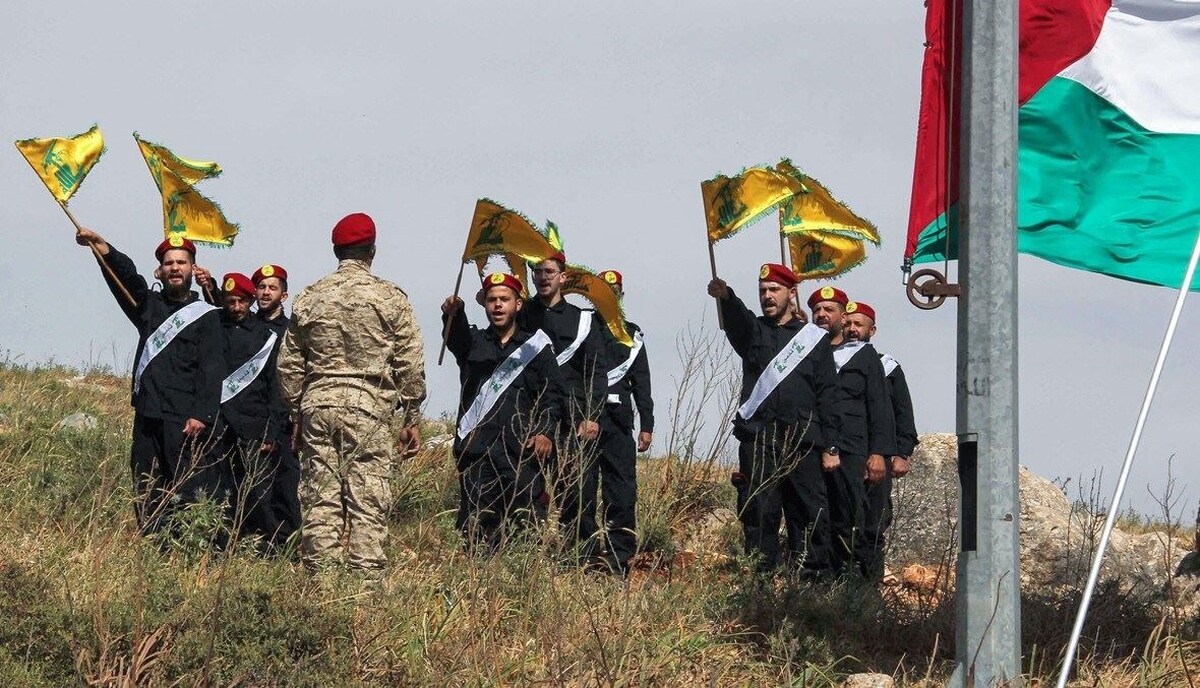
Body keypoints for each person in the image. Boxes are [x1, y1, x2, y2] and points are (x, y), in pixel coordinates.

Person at [277, 213, 426, 578]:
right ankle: (364, 592)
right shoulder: (390, 298)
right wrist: (411, 418)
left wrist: (296, 414)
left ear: (335, 250)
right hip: (368, 410)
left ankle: (321, 585)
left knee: (320, 500)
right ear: (372, 250)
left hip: (317, 407)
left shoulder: (310, 298)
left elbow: (289, 366)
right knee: (368, 501)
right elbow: (410, 362)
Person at [74, 229, 225, 534]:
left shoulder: (208, 316)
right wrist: (103, 248)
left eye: (182, 262)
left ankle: (187, 544)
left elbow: (211, 370)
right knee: (146, 481)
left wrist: (201, 414)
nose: (175, 268)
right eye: (168, 263)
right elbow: (126, 280)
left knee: (185, 484)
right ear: (160, 270)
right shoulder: (148, 306)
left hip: (184, 418)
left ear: (192, 269)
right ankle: (154, 541)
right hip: (148, 413)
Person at [708, 264, 841, 574]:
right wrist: (726, 296)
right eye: (762, 291)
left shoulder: (813, 339)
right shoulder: (753, 332)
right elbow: (737, 321)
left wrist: (830, 446)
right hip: (761, 438)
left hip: (803, 440)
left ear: (791, 294)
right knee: (760, 512)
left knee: (809, 513)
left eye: (774, 290)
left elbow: (827, 394)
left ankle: (812, 584)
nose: (767, 296)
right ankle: (761, 584)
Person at [441, 273, 565, 552]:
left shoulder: (536, 347)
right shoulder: (473, 342)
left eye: (504, 300)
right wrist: (453, 313)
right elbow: (454, 336)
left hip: (521, 450)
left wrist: (545, 431)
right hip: (478, 451)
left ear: (517, 305)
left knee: (525, 524)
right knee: (475, 526)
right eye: (491, 300)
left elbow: (553, 394)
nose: (497, 305)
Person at [517, 252, 606, 565]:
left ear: (563, 277)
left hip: (574, 415)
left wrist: (592, 415)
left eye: (549, 271)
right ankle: (527, 556)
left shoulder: (582, 320)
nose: (543, 277)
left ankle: (580, 561)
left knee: (578, 490)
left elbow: (596, 370)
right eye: (537, 272)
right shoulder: (522, 314)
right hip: (534, 414)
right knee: (531, 487)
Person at [809, 288, 896, 577]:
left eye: (829, 310)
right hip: (815, 445)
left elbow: (880, 407)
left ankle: (856, 584)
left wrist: (880, 453)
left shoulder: (866, 357)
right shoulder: (812, 352)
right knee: (820, 515)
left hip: (852, 448)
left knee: (853, 517)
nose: (822, 315)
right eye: (816, 310)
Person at [841, 302, 918, 581]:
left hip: (879, 456)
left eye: (858, 325)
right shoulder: (834, 363)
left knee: (873, 523)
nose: (852, 330)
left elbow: (902, 412)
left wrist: (901, 453)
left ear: (871, 330)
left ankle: (870, 586)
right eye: (848, 324)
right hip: (848, 452)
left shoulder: (887, 367)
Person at [214, 272, 285, 549]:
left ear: (250, 301)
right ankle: (224, 546)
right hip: (220, 425)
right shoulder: (214, 328)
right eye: (230, 301)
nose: (236, 307)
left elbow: (274, 388)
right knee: (222, 490)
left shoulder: (266, 336)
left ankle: (272, 549)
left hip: (255, 426)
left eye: (242, 301)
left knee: (258, 493)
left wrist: (271, 431)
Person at [593, 269, 654, 574]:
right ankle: (585, 553)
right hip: (588, 420)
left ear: (621, 296)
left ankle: (620, 557)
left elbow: (642, 382)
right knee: (583, 490)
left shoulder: (632, 334)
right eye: (604, 291)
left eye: (614, 291)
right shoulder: (584, 328)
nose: (610, 297)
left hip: (619, 421)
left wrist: (647, 424)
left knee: (621, 491)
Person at [251, 263, 301, 548]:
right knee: (256, 490)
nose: (266, 292)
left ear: (284, 295)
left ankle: (288, 547)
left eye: (272, 287)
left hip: (283, 421)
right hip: (252, 418)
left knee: (284, 487)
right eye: (261, 287)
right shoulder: (249, 325)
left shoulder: (292, 331)